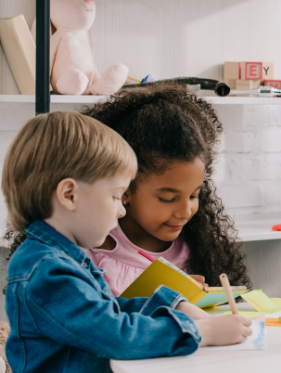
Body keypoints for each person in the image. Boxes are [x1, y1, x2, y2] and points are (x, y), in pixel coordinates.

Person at [0, 112, 251, 373]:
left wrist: (172, 304)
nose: (121, 211)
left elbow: (107, 309)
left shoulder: (64, 259)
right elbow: (116, 334)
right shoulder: (46, 272)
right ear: (69, 195)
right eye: (117, 196)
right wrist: (202, 333)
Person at [79, 84, 252, 295]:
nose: (185, 211)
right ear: (124, 190)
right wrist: (165, 297)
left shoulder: (198, 248)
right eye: (168, 198)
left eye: (194, 195)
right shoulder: (92, 248)